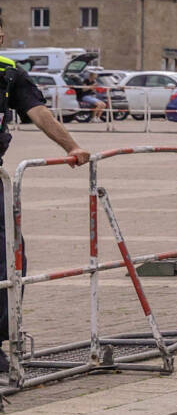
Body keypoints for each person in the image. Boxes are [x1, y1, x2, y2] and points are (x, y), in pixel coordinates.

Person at [0, 53, 88, 354]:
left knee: (10, 256)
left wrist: (72, 146)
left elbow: (37, 112)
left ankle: (1, 337)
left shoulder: (8, 72)